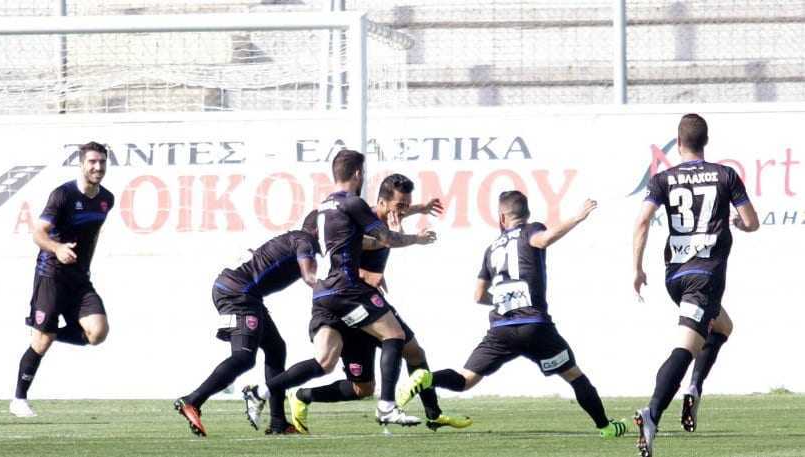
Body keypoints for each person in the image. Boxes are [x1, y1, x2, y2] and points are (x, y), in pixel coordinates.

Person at [398, 190, 628, 440]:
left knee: (465, 380)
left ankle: (427, 377)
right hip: (535, 327)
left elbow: (478, 296)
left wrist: (504, 300)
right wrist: (577, 217)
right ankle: (605, 427)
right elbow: (545, 238)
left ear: (502, 217)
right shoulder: (531, 230)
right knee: (574, 376)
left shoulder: (491, 248)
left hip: (501, 329)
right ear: (526, 214)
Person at [242, 150, 436, 428]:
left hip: (324, 292)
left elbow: (363, 241)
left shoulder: (324, 207)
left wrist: (413, 212)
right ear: (358, 174)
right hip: (347, 288)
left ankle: (260, 392)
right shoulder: (352, 203)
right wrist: (416, 239)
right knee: (394, 334)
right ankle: (386, 407)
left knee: (324, 361)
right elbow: (386, 237)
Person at [285, 174, 472, 433]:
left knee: (405, 359)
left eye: (407, 204)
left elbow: (393, 218)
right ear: (381, 203)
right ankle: (305, 396)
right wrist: (407, 239)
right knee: (367, 374)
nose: (403, 210)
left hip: (369, 302)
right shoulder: (362, 227)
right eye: (400, 205)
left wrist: (420, 208)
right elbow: (372, 244)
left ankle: (433, 414)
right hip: (354, 305)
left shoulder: (386, 214)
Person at [632, 114, 759, 457]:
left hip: (675, 277)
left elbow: (642, 221)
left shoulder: (662, 179)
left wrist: (636, 269)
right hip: (705, 277)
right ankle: (652, 414)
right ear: (706, 140)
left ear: (679, 140)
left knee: (723, 326)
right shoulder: (724, 175)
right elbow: (751, 221)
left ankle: (694, 387)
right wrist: (739, 226)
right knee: (685, 348)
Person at [174, 218, 319, 436]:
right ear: (319, 228)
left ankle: (278, 422)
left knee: (276, 348)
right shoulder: (305, 241)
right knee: (243, 357)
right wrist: (333, 292)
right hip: (238, 293)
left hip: (241, 292)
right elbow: (309, 277)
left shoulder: (296, 238)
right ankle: (192, 400)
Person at [11, 142, 114, 418]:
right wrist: (57, 248)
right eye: (92, 162)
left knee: (98, 333)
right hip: (51, 275)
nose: (98, 167)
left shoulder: (107, 199)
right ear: (81, 164)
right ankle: (19, 399)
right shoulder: (62, 195)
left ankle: (49, 331)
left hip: (79, 279)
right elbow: (38, 233)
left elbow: (90, 237)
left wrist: (83, 263)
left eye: (102, 162)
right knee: (40, 342)